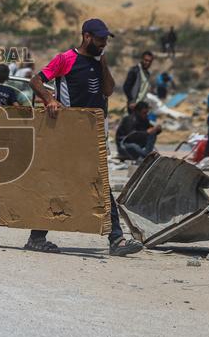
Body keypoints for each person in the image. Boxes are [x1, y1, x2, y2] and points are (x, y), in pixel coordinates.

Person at [27, 19, 143, 256]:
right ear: (86, 36)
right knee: (59, 183)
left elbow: (108, 90)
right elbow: (36, 81)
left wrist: (103, 64)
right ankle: (37, 237)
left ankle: (116, 240)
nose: (103, 44)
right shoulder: (65, 59)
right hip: (69, 133)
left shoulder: (100, 61)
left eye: (105, 40)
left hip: (95, 133)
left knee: (99, 183)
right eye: (100, 39)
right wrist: (49, 99)